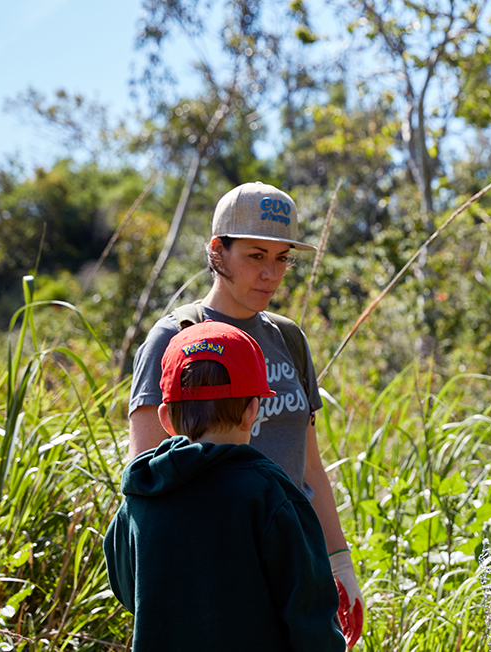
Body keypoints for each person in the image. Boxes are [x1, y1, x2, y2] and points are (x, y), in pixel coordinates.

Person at [126, 182, 363, 646]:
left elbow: (309, 465)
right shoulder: (176, 337)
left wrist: (337, 562)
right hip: (219, 589)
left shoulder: (288, 338)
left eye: (282, 258)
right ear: (218, 251)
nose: (271, 274)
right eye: (256, 256)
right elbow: (146, 480)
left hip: (295, 568)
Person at [105, 321, 345, 651]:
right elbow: (310, 613)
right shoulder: (269, 493)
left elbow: (127, 589)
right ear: (252, 411)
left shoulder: (141, 494)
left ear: (166, 419)